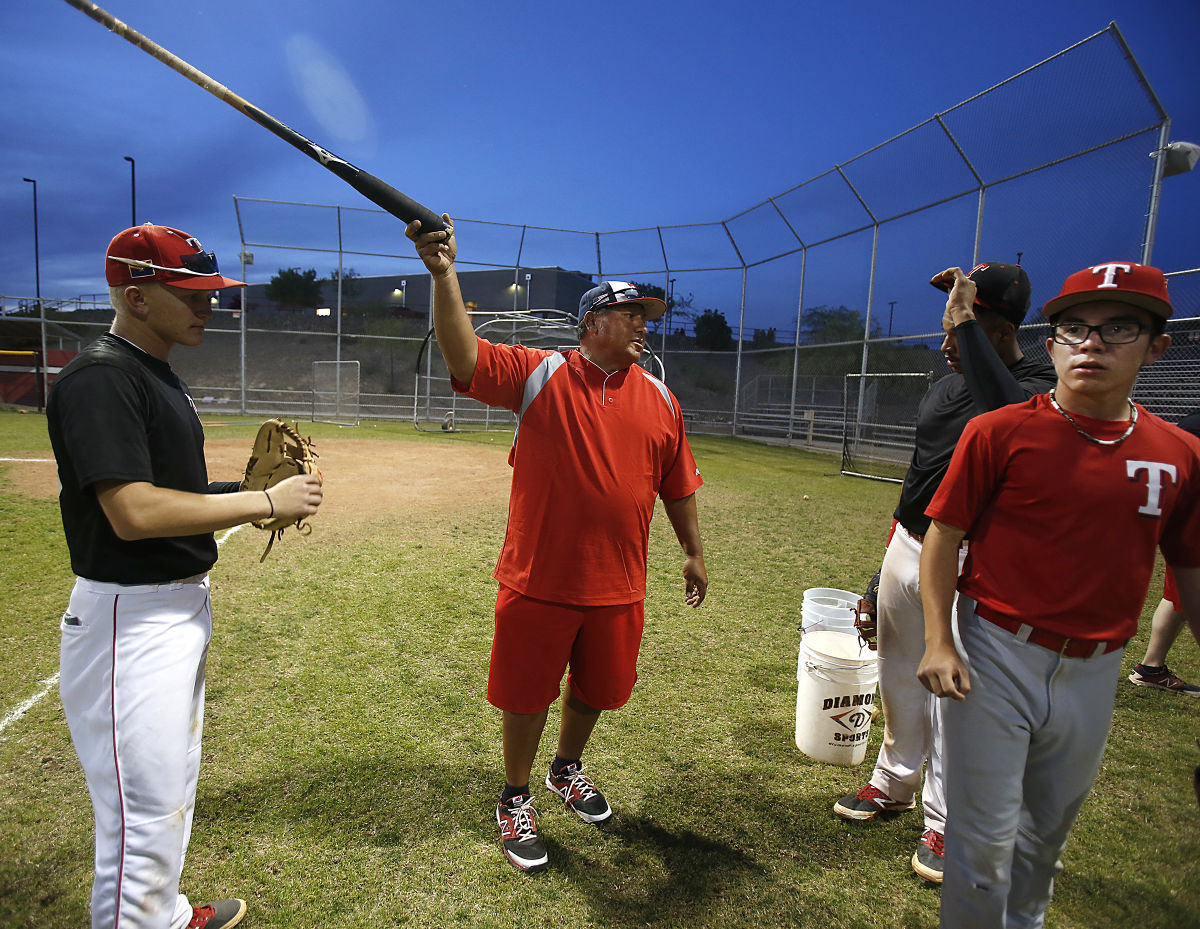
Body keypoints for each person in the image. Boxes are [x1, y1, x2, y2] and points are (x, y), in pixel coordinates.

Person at [406, 216, 707, 873]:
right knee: (526, 694)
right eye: (631, 315)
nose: (643, 326)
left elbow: (677, 482)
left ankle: (566, 768)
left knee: (599, 688)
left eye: (646, 317)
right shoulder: (540, 374)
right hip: (539, 577)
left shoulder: (662, 399)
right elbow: (464, 357)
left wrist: (693, 550)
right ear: (592, 322)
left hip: (619, 584)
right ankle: (515, 795)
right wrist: (444, 273)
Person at [47, 223, 324, 929]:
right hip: (129, 621)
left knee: (170, 788)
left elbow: (173, 490)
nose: (209, 306)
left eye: (211, 293)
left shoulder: (153, 370)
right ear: (137, 296)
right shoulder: (102, 376)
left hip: (172, 610)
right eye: (191, 293)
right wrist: (263, 502)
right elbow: (134, 511)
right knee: (141, 813)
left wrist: (243, 491)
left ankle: (162, 914)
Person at [917, 261, 1200, 929]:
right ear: (1050, 344)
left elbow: (1190, 568)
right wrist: (939, 639)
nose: (1092, 343)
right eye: (1075, 328)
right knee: (981, 841)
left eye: (1119, 328)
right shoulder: (1000, 429)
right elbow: (943, 534)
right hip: (995, 649)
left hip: (1096, 667)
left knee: (1044, 839)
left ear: (1157, 346)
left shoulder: (1180, 452)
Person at [834, 262, 1056, 884]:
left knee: (955, 689)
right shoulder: (947, 385)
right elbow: (919, 474)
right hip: (911, 544)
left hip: (972, 557)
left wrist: (969, 328)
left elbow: (1014, 424)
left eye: (956, 331)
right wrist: (882, 570)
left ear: (1000, 329)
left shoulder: (1038, 386)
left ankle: (948, 817)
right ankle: (894, 781)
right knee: (898, 670)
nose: (945, 344)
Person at [1128, 409, 1200, 695]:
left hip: (1186, 519)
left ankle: (1151, 668)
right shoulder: (1193, 427)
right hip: (1190, 518)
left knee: (1177, 597)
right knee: (1182, 594)